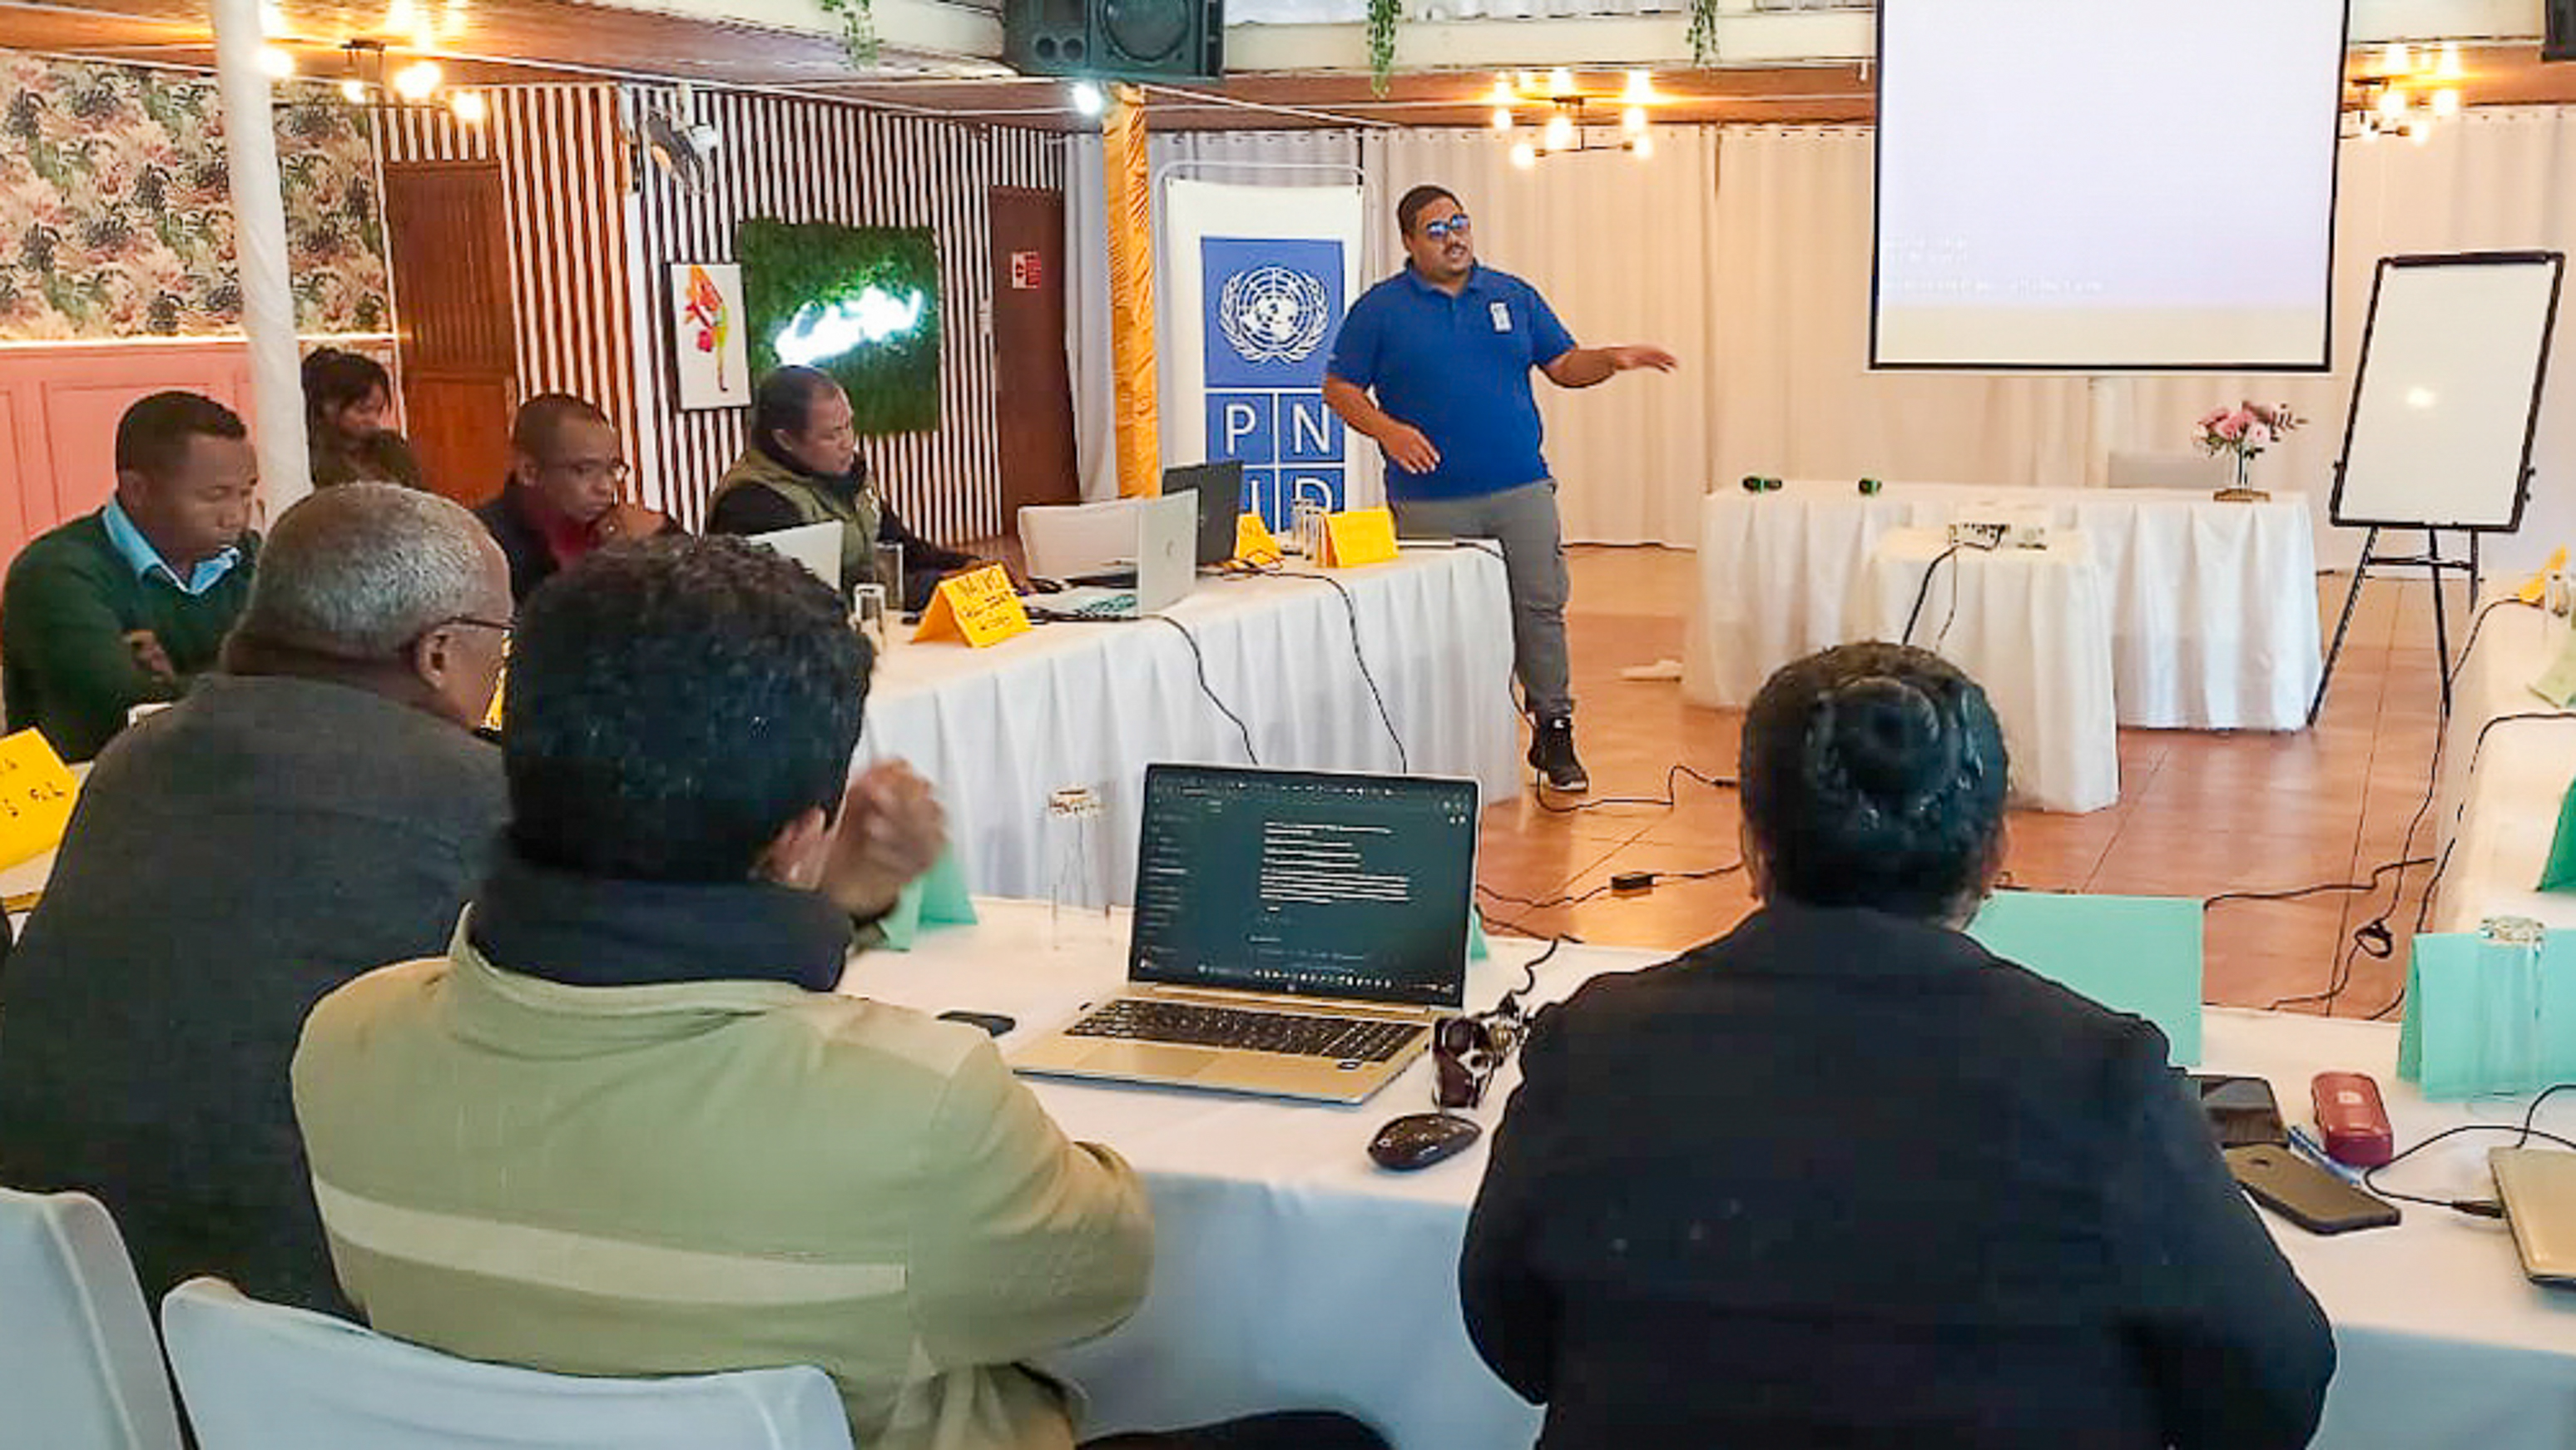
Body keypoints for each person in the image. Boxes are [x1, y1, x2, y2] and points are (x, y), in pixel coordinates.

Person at [293, 536, 1380, 1450]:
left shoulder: (348, 1040)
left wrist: (820, 913)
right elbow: (1104, 1273)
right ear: (800, 835)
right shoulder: (913, 1106)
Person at [1459, 642, 2336, 1447]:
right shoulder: (2101, 1078)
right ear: (1995, 856)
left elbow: (1517, 1340)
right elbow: (2271, 1393)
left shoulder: (1594, 1046)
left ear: (1750, 848)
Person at [0, 483, 512, 1315]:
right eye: (501, 638)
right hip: (285, 1308)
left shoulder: (138, 756)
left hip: (48, 1285)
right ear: (440, 652)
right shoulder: (472, 798)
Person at [1324, 185, 1675, 796]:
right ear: (1408, 242)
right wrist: (1388, 430)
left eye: (1460, 223)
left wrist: (1612, 358)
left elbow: (1564, 364)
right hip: (1429, 499)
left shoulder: (1512, 294)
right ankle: (1447, 734)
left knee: (1540, 608)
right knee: (1441, 625)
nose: (1454, 236)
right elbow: (1340, 387)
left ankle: (1555, 729)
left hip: (1521, 487)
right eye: (1437, 229)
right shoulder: (1380, 309)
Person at [2, 391, 261, 761]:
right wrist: (251, 672)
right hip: (86, 800)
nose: (236, 515)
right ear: (137, 490)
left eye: (247, 492)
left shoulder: (252, 556)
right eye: (214, 496)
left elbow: (316, 678)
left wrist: (173, 685)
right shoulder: (56, 573)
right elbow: (119, 711)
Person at [707, 365, 974, 611]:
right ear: (785, 440)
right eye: (831, 435)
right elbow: (818, 596)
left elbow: (901, 547)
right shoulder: (751, 502)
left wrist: (966, 566)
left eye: (849, 426)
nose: (848, 443)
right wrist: (938, 584)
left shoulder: (849, 475)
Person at [476, 393, 680, 602]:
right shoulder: (481, 544)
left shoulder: (630, 529)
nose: (606, 487)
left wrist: (661, 541)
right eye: (584, 470)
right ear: (530, 471)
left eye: (612, 469)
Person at [302, 347, 426, 491]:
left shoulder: (391, 447)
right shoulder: (314, 457)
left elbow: (420, 495)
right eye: (363, 410)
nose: (372, 419)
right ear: (329, 406)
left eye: (378, 411)